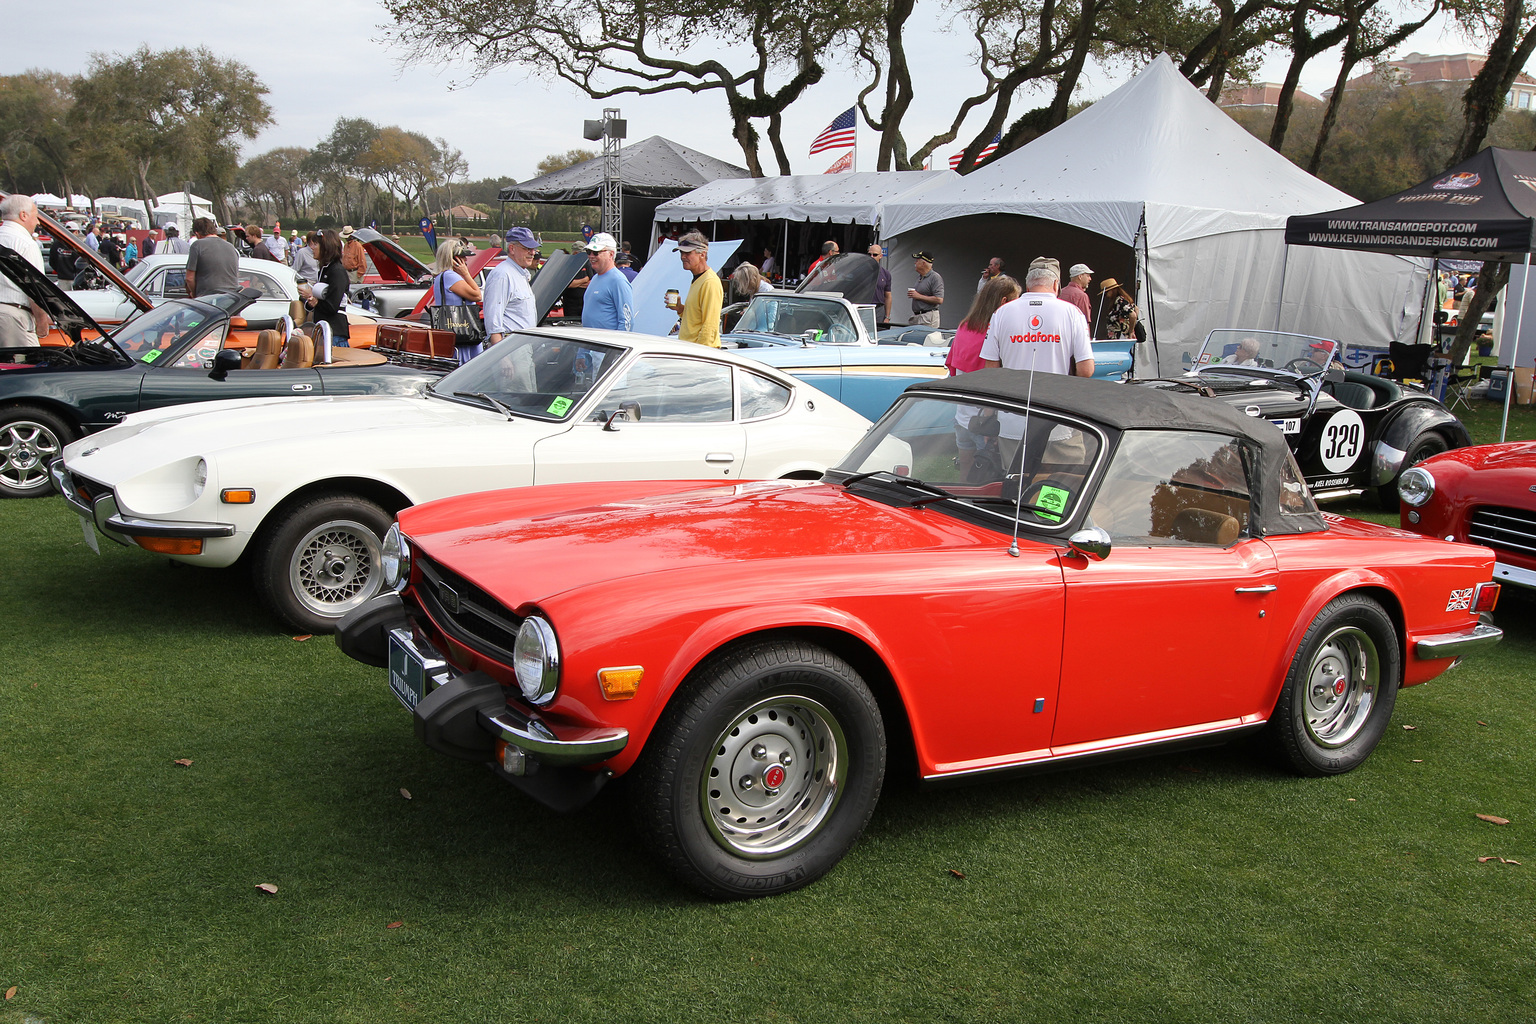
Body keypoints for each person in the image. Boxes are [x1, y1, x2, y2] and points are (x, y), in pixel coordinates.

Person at [949, 275, 1021, 477]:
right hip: (984, 421)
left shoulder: (965, 325)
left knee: (965, 472)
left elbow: (953, 370)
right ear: (1004, 301)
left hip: (962, 415)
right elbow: (993, 381)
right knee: (988, 479)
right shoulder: (995, 331)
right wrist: (990, 421)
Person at [981, 261, 1093, 378]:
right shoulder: (1074, 313)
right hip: (1055, 392)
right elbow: (1086, 369)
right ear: (1055, 284)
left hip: (1013, 392)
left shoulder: (1000, 313)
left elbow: (990, 366)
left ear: (1028, 286)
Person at [0, 195, 52, 347]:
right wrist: (42, 321)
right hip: (14, 317)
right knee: (26, 367)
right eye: (36, 216)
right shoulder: (26, 243)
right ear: (23, 215)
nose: (37, 222)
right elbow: (35, 287)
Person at [483, 226, 540, 347]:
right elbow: (493, 323)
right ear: (512, 249)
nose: (532, 253)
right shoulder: (502, 275)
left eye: (533, 248)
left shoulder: (519, 274)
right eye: (527, 248)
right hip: (509, 347)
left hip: (521, 345)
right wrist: (502, 358)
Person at [303, 228, 356, 349]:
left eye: (316, 244)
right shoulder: (325, 269)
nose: (312, 247)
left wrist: (315, 300)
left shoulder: (337, 271)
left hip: (334, 333)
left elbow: (332, 306)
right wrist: (310, 299)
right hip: (323, 330)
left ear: (326, 247)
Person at [668, 231, 722, 348]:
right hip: (691, 352)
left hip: (699, 355)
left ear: (702, 254)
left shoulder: (709, 282)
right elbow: (696, 318)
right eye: (681, 252)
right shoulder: (699, 279)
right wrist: (680, 309)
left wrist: (700, 356)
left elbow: (710, 326)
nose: (683, 256)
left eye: (687, 253)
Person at [580, 232, 635, 332]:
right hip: (589, 344)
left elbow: (627, 322)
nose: (591, 256)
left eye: (596, 252)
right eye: (589, 252)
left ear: (611, 254)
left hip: (604, 345)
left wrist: (615, 346)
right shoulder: (595, 278)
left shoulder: (618, 281)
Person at [185, 216, 239, 299]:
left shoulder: (197, 245)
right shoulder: (231, 247)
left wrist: (194, 293)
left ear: (197, 234)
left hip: (208, 297)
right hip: (232, 298)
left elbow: (189, 278)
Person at [907, 251, 945, 326]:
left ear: (923, 263)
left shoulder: (935, 277)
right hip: (917, 317)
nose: (915, 263)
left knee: (926, 337)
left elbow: (939, 299)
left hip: (928, 317)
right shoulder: (920, 277)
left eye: (917, 261)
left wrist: (918, 296)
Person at [868, 243, 893, 323]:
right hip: (864, 308)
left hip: (879, 309)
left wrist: (887, 317)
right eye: (869, 254)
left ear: (880, 256)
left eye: (875, 255)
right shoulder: (861, 271)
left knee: (880, 333)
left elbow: (888, 296)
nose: (871, 257)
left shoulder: (885, 273)